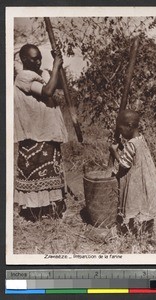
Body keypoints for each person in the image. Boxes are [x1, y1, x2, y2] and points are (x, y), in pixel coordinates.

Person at [14, 43, 68, 222]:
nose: (37, 61)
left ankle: (49, 208)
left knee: (50, 169)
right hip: (36, 132)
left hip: (45, 130)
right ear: (23, 59)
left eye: (39, 57)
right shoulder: (24, 77)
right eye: (33, 58)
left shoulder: (39, 75)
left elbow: (58, 83)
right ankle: (34, 211)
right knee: (36, 168)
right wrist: (55, 66)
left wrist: (57, 64)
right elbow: (48, 91)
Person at [109, 110, 156, 234]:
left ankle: (131, 231)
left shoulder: (131, 144)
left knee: (135, 203)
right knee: (145, 203)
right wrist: (121, 147)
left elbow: (124, 164)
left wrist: (114, 152)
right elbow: (133, 156)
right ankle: (146, 231)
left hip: (136, 181)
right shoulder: (140, 139)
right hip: (146, 179)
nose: (120, 133)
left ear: (130, 126)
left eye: (121, 129)